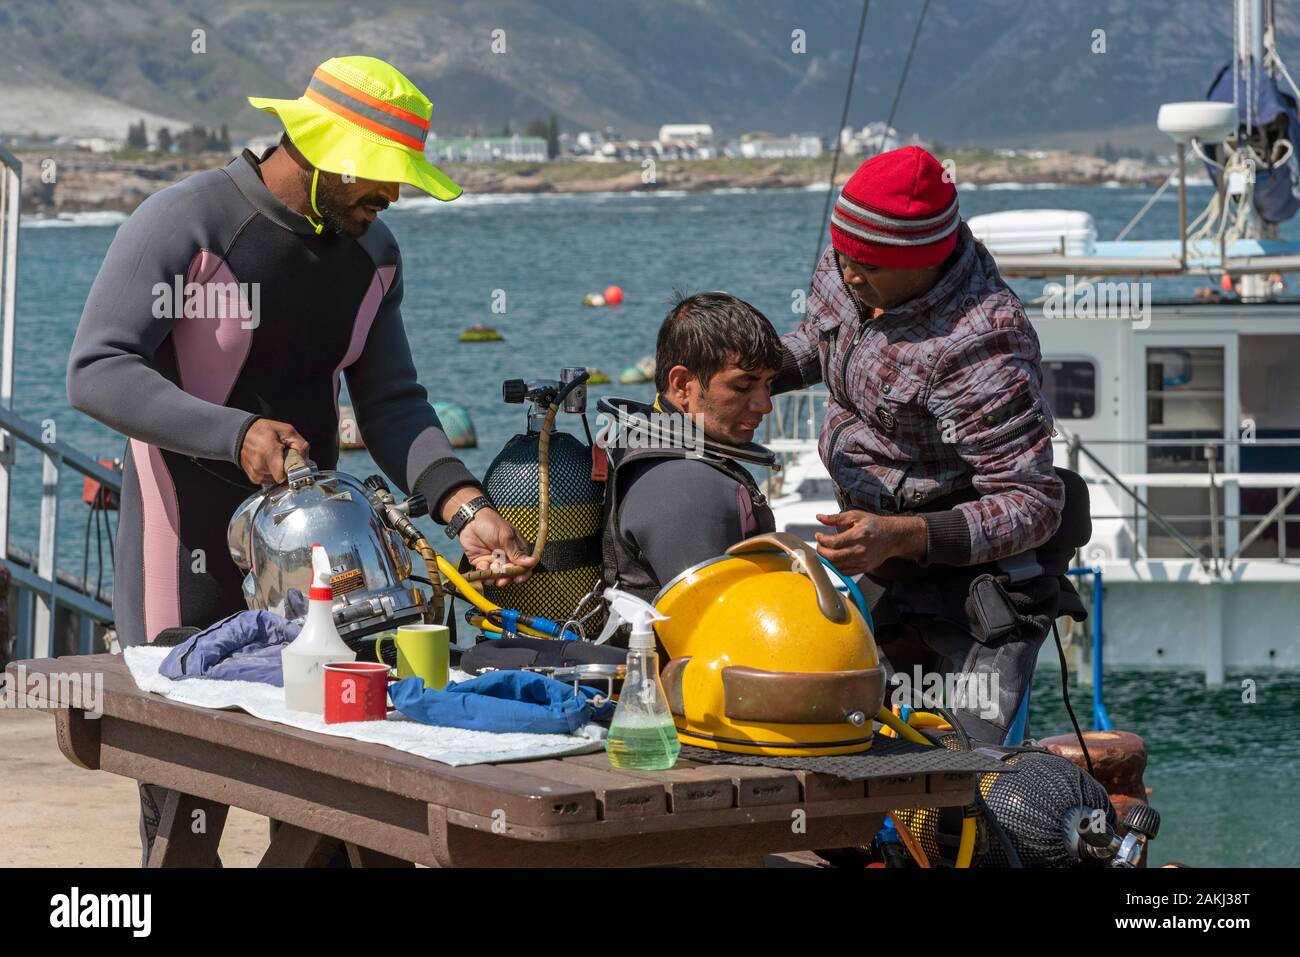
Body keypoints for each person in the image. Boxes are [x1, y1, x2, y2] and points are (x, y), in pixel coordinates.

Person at [66, 55, 534, 863]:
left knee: (338, 815)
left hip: (320, 581)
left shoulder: (373, 254)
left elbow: (391, 403)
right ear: (323, 149)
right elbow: (97, 369)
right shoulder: (188, 223)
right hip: (185, 563)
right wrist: (235, 432)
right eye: (380, 177)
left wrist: (464, 505)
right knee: (187, 826)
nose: (391, 197)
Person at [773, 146, 1085, 744]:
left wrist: (905, 534)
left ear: (928, 262)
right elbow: (820, 337)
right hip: (880, 558)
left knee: (957, 776)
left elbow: (1033, 502)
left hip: (975, 583)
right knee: (854, 736)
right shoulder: (854, 259)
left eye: (868, 266)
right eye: (842, 255)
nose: (849, 275)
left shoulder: (980, 344)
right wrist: (753, 373)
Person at [602, 292, 782, 601]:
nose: (764, 405)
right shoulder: (687, 486)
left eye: (768, 384)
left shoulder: (642, 441)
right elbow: (717, 624)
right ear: (683, 384)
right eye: (742, 386)